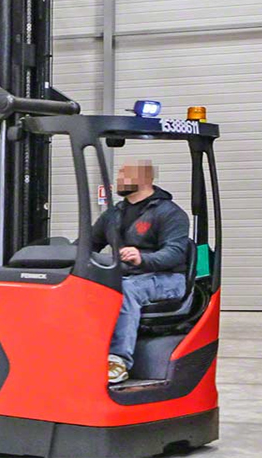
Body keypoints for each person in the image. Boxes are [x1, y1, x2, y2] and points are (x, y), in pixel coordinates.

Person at [88, 159, 192, 384]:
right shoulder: (114, 214)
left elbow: (174, 253)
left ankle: (118, 361)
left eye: (126, 174)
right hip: (128, 275)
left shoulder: (169, 213)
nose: (119, 178)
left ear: (146, 178)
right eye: (120, 173)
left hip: (168, 279)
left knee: (125, 290)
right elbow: (88, 244)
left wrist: (142, 258)